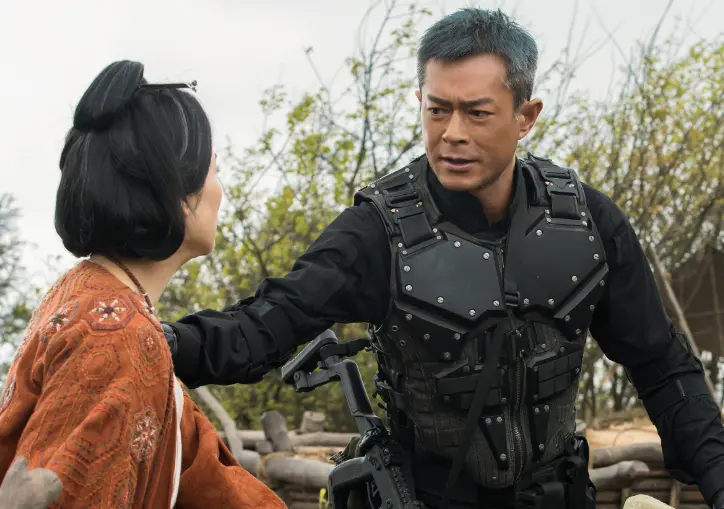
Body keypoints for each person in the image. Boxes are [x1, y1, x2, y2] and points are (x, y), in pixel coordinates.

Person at [162, 8, 724, 509]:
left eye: (477, 113)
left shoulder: (586, 222)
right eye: (437, 110)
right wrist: (158, 339)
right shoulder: (377, 232)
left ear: (526, 115)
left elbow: (662, 366)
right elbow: (263, 326)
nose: (451, 134)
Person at [0, 60, 286, 509]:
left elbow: (199, 468)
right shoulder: (116, 334)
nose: (220, 191)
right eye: (214, 171)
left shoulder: (89, 294)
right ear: (178, 195)